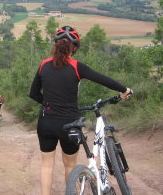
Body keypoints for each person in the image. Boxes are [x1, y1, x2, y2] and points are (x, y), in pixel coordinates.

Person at [29, 26, 132, 195]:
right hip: (70, 122)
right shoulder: (77, 66)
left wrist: (48, 103)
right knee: (70, 165)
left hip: (46, 121)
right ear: (74, 47)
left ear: (56, 44)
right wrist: (123, 89)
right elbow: (103, 79)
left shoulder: (43, 65)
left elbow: (33, 94)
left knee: (46, 165)